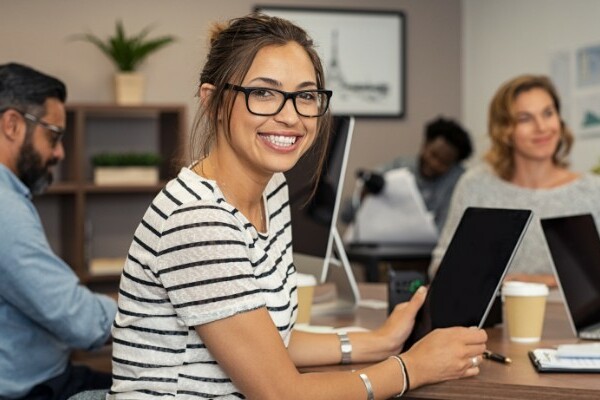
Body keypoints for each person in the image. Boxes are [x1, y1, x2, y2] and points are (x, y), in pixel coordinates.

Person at [108, 13, 487, 400]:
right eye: (263, 93)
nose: (290, 117)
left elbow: (269, 340)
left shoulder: (271, 189)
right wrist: (411, 368)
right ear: (214, 102)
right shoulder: (198, 220)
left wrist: (379, 341)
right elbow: (281, 393)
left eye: (305, 95)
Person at [0, 63, 117, 400]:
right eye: (53, 135)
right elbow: (79, 321)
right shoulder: (5, 209)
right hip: (34, 391)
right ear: (12, 125)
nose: (59, 152)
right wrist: (148, 308)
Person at [429, 74, 600, 288]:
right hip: (491, 319)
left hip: (570, 320)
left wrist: (540, 282)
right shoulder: (476, 186)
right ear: (504, 131)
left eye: (548, 113)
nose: (542, 127)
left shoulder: (593, 192)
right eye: (525, 118)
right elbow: (441, 264)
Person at [342, 117, 473, 232]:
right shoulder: (398, 167)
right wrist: (363, 195)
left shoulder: (459, 181)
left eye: (443, 162)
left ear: (454, 165)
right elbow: (346, 215)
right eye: (433, 155)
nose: (434, 164)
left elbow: (444, 233)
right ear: (425, 145)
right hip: (386, 249)